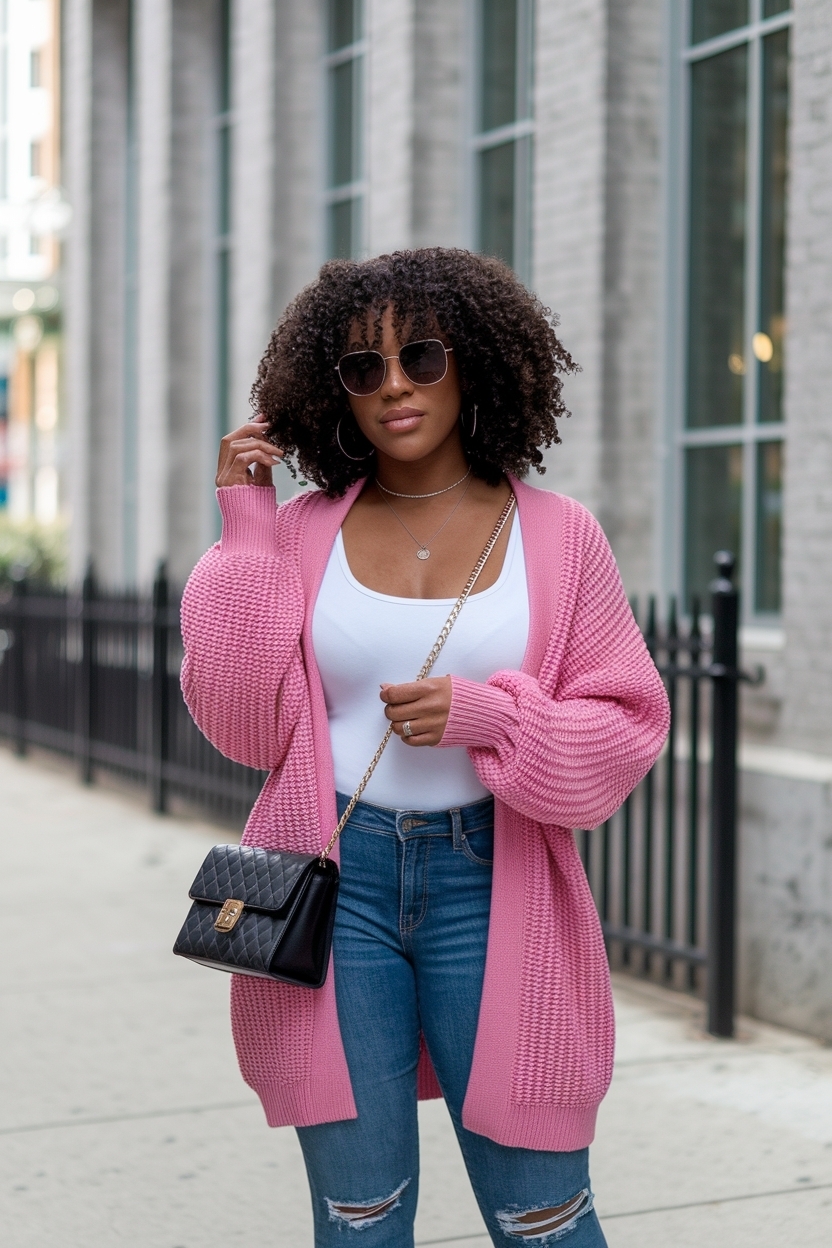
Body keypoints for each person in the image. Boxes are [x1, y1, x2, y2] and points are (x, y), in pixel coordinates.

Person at [180, 248, 669, 1247]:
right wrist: (242, 530)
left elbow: (627, 726)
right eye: (363, 368)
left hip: (493, 886)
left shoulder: (559, 535)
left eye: (421, 356)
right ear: (334, 393)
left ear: (475, 365)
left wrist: (494, 718)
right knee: (359, 1218)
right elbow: (242, 726)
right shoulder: (297, 535)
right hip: (335, 885)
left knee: (543, 1216)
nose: (394, 385)